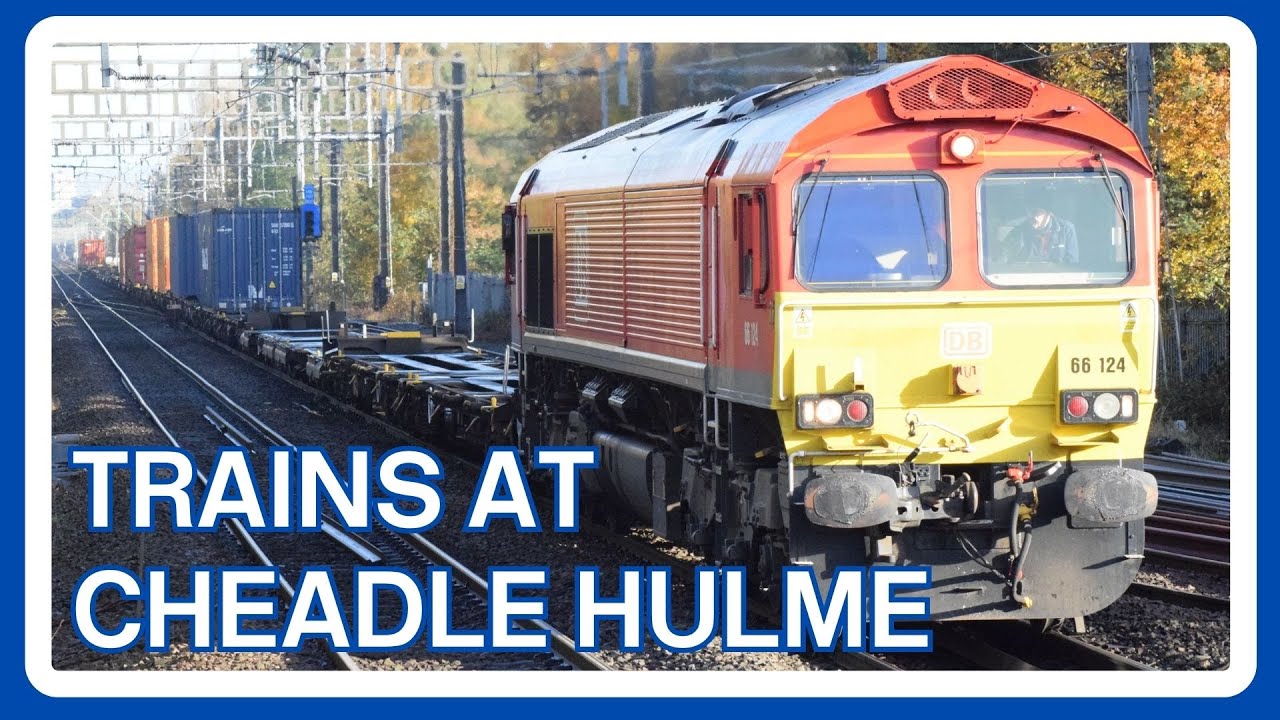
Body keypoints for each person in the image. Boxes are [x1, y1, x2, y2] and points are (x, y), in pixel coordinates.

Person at [1002, 206, 1079, 265]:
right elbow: (1003, 256)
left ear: (1049, 214)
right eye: (1029, 212)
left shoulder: (1067, 229)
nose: (1031, 216)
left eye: (1036, 212)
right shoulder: (1019, 230)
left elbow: (1072, 263)